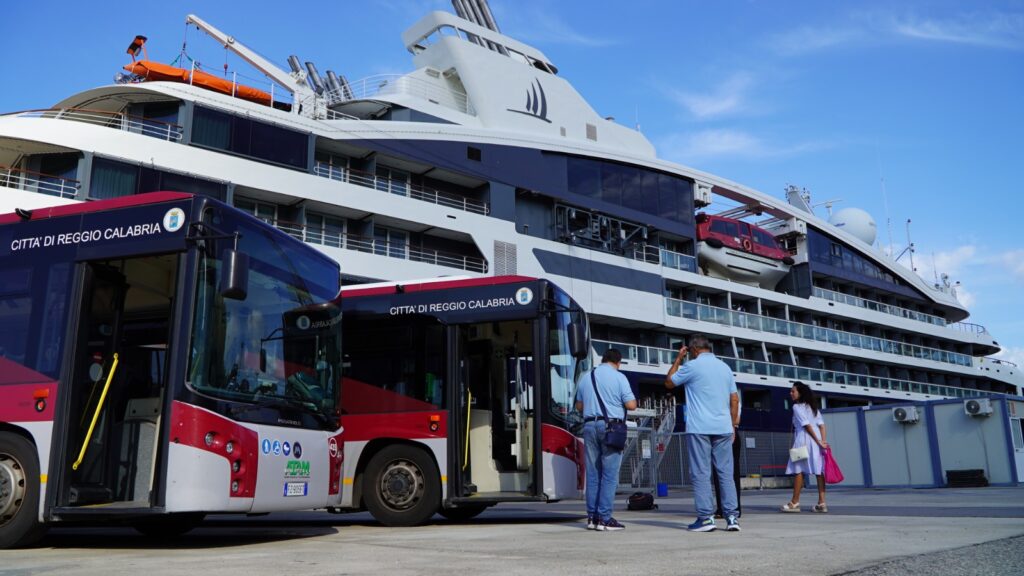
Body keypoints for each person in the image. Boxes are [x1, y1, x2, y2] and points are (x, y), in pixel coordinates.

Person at [665, 334, 741, 532]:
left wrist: (679, 359)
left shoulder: (692, 366)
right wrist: (733, 425)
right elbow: (734, 399)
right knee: (726, 473)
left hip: (700, 427)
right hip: (724, 427)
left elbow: (669, 382)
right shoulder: (725, 368)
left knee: (701, 473)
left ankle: (706, 518)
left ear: (694, 350)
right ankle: (732, 517)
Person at [575, 348, 637, 531]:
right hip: (610, 428)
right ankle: (605, 518)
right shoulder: (619, 377)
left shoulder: (586, 377)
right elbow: (631, 405)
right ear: (618, 362)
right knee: (609, 475)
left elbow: (579, 406)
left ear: (602, 360)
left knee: (593, 475)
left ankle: (592, 518)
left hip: (588, 426)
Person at [781, 381, 829, 513]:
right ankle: (822, 503)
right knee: (819, 471)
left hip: (803, 440)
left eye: (793, 391)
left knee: (798, 470)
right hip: (817, 440)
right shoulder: (812, 407)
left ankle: (794, 502)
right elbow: (822, 425)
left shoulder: (797, 407)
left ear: (800, 393)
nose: (791, 393)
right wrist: (822, 441)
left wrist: (818, 441)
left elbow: (806, 426)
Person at [715, 388, 742, 518]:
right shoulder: (733, 400)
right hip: (728, 433)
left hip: (727, 434)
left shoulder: (731, 401)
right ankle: (728, 507)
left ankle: (728, 508)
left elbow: (736, 420)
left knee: (726, 472)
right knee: (726, 473)